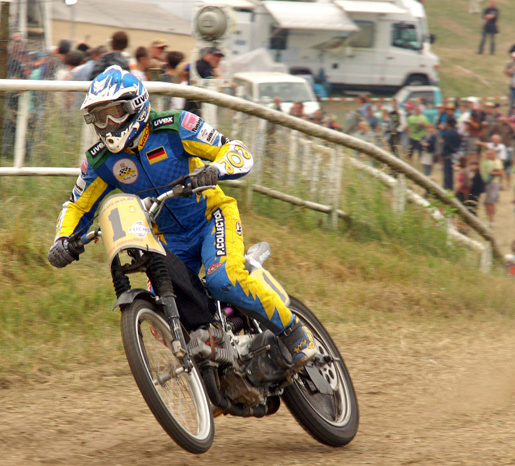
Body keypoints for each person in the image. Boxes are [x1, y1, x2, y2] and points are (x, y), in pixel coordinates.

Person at [47, 66, 318, 368]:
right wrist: (62, 240)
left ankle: (295, 333)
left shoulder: (175, 127)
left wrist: (216, 170)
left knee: (222, 278)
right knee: (161, 309)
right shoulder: (101, 161)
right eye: (100, 117)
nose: (109, 124)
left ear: (137, 105)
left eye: (115, 112)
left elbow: (233, 149)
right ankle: (212, 372)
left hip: (210, 217)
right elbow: (77, 206)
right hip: (165, 239)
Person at [481, 148, 503, 225]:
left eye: (489, 154)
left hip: (493, 183)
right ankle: (489, 219)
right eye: (487, 154)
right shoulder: (487, 162)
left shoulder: (497, 162)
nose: (487, 155)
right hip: (487, 183)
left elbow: (500, 172)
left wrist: (491, 173)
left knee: (489, 202)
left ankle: (492, 220)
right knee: (487, 202)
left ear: (493, 154)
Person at [441, 117, 461, 191]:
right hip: (454, 154)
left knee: (447, 171)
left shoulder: (447, 132)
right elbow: (459, 142)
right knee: (451, 171)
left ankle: (447, 186)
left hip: (447, 154)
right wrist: (456, 150)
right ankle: (451, 186)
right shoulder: (456, 132)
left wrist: (450, 149)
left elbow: (447, 144)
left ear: (448, 124)